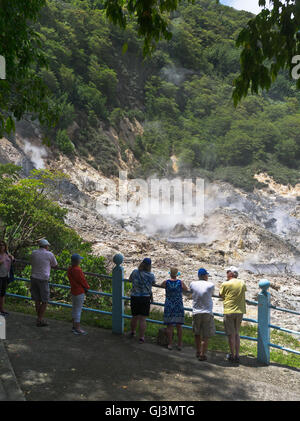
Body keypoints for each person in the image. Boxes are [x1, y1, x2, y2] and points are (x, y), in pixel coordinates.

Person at [219, 266, 246, 363]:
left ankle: (232, 355)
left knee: (231, 335)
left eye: (227, 272)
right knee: (237, 333)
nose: (226, 273)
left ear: (231, 274)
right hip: (240, 311)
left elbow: (220, 295)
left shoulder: (225, 284)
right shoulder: (242, 283)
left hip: (229, 311)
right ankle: (238, 355)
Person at [30, 239, 58, 327]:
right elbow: (55, 265)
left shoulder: (34, 253)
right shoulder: (49, 254)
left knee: (37, 300)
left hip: (34, 277)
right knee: (45, 301)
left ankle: (39, 319)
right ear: (46, 246)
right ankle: (39, 320)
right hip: (43, 279)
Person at [190, 268, 215, 361]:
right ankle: (202, 354)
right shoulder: (210, 285)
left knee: (197, 333)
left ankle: (197, 351)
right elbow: (212, 294)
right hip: (207, 312)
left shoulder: (192, 284)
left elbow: (191, 292)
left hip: (196, 311)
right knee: (206, 335)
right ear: (205, 276)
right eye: (207, 275)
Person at [129, 257, 156, 344]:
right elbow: (153, 283)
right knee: (142, 319)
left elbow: (130, 279)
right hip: (145, 298)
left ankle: (132, 332)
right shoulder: (151, 275)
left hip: (135, 297)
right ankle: (141, 337)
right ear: (149, 266)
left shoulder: (135, 272)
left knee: (134, 316)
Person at [161, 267, 188, 350]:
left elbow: (161, 285)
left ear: (170, 273)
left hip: (169, 305)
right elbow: (186, 289)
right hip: (178, 305)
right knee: (179, 326)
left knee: (170, 326)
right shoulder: (180, 282)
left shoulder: (166, 282)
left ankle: (170, 344)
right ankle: (179, 344)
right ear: (177, 274)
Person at [67, 254, 90, 335]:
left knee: (74, 308)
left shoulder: (70, 269)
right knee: (78, 310)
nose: (80, 261)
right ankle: (77, 328)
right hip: (79, 291)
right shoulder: (77, 270)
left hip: (73, 290)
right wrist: (87, 287)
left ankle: (74, 327)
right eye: (79, 259)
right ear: (77, 261)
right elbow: (82, 280)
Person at [0, 241, 14, 316]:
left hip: (5, 276)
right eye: (0, 245)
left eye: (3, 245)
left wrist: (12, 258)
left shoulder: (7, 255)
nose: (1, 246)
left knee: (2, 294)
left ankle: (2, 309)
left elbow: (12, 261)